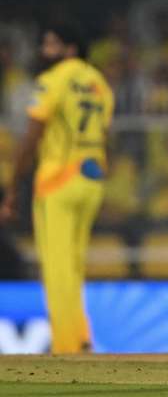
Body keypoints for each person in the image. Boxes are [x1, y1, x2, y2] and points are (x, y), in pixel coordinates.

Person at [0, 25, 114, 354]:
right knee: (75, 264)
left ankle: (69, 347)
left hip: (58, 179)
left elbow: (32, 135)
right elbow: (106, 136)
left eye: (52, 45)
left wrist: (12, 187)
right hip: (92, 177)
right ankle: (81, 336)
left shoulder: (54, 80)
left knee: (57, 267)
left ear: (70, 48)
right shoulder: (100, 84)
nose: (44, 51)